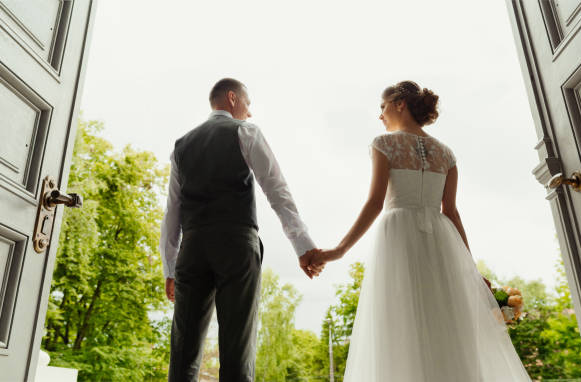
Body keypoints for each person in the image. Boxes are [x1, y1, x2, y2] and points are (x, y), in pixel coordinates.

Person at [312, 81, 531, 381]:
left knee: (400, 323)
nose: (380, 115)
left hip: (398, 235)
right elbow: (451, 212)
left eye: (383, 106)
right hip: (442, 241)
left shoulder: (384, 144)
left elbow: (375, 203)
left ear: (399, 104)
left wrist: (338, 250)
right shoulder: (446, 153)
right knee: (447, 323)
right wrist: (470, 267)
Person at [159, 78, 323, 382]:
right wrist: (303, 246)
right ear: (232, 98)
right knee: (237, 350)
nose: (250, 113)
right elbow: (277, 191)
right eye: (248, 105)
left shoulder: (181, 145)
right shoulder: (246, 131)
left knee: (183, 353)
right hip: (235, 243)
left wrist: (170, 268)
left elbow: (173, 212)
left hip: (192, 249)